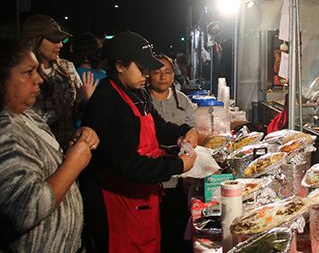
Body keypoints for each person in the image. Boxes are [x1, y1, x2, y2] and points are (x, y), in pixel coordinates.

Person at [81, 31, 198, 253]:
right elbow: (129, 165)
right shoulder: (108, 103)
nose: (147, 73)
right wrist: (178, 165)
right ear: (120, 66)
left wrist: (184, 131)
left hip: (143, 196)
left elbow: (159, 127)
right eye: (141, 67)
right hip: (119, 203)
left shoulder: (137, 92)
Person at [0, 37, 99, 253]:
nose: (39, 79)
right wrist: (73, 164)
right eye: (28, 72)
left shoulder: (27, 115)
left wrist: (74, 143)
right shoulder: (4, 132)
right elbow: (24, 210)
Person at [21, 14, 98, 149]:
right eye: (54, 40)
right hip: (36, 152)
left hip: (67, 150)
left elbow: (77, 112)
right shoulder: (20, 75)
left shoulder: (67, 68)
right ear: (35, 41)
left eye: (61, 40)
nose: (60, 44)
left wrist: (86, 101)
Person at [149, 55, 195, 253]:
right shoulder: (143, 100)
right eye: (157, 72)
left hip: (179, 174)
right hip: (151, 173)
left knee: (175, 224)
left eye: (167, 72)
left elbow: (192, 129)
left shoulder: (182, 100)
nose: (162, 77)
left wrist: (191, 137)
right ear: (148, 74)